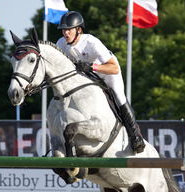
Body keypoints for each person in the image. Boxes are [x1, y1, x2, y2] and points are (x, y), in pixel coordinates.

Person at [56, 11, 145, 153]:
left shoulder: (91, 42)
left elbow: (114, 67)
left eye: (68, 30)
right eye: (63, 30)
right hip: (87, 77)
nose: (65, 33)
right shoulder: (61, 44)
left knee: (118, 96)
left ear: (78, 30)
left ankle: (135, 136)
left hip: (107, 73)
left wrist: (92, 67)